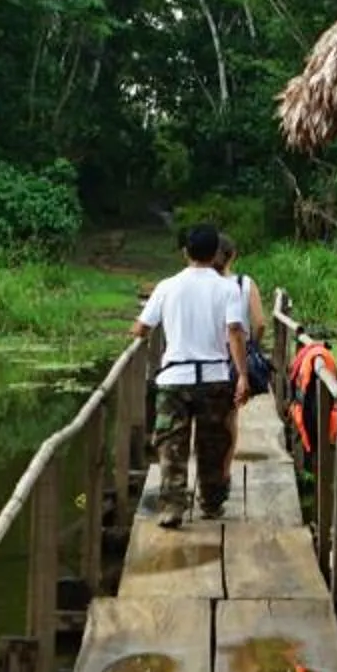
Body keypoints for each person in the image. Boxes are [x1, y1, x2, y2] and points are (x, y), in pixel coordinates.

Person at [130, 223, 249, 527]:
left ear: (186, 252)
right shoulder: (227, 288)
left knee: (171, 444)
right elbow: (235, 332)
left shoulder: (167, 286)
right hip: (214, 377)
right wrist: (243, 376)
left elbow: (142, 328)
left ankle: (173, 506)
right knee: (213, 443)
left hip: (174, 378)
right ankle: (210, 502)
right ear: (215, 254)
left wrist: (136, 330)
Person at [217, 235, 273, 397]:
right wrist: (253, 344)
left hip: (211, 352)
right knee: (233, 405)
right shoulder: (245, 282)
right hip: (240, 350)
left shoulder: (205, 284)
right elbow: (260, 323)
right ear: (233, 255)